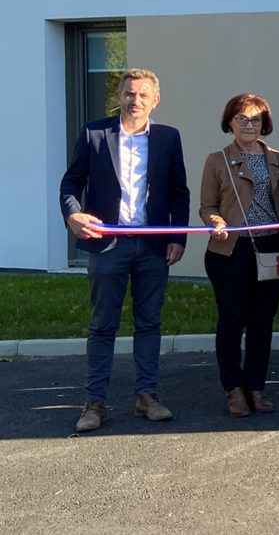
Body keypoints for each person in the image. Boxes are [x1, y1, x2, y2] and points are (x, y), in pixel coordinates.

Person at [59, 68, 190, 433]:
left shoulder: (167, 138)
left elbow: (179, 191)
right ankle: (95, 401)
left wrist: (178, 238)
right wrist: (72, 214)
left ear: (155, 100)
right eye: (129, 93)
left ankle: (147, 395)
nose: (136, 100)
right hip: (107, 244)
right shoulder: (94, 133)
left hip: (152, 244)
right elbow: (71, 183)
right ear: (119, 96)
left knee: (149, 322)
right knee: (103, 324)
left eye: (143, 95)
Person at [199, 93, 279, 417]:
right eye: (242, 118)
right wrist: (215, 221)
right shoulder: (217, 160)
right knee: (232, 320)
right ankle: (233, 390)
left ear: (264, 123)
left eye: (256, 119)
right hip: (231, 251)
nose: (249, 125)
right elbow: (207, 206)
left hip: (271, 248)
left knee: (262, 322)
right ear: (230, 122)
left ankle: (256, 387)